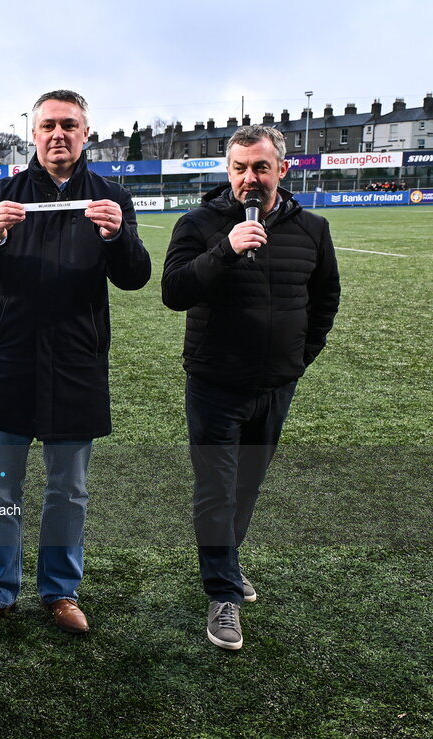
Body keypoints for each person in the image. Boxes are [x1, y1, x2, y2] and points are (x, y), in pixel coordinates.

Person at [0, 90, 151, 634]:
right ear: (33, 134)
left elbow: (135, 276)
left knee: (69, 489)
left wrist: (117, 236)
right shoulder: (3, 192)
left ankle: (60, 591)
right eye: (48, 126)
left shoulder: (110, 195)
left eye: (69, 125)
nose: (58, 134)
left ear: (86, 133)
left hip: (75, 365)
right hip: (9, 362)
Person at [162, 125, 340, 651]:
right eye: (239, 168)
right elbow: (174, 292)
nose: (249, 178)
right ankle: (222, 596)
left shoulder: (313, 228)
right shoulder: (198, 224)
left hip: (276, 386)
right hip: (215, 384)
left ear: (282, 169)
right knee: (217, 491)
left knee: (247, 489)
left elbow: (325, 300)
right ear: (228, 171)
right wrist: (225, 248)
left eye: (260, 167)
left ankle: (228, 565)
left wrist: (297, 362)